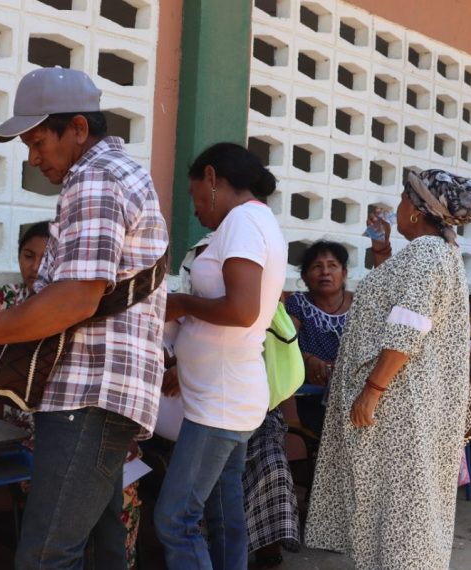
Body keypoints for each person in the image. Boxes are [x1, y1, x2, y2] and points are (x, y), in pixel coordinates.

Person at [0, 67, 168, 569]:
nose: (33, 158)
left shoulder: (95, 179)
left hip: (88, 393)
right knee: (100, 550)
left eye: (38, 142)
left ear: (77, 128)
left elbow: (74, 300)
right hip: (105, 395)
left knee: (45, 557)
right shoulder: (118, 172)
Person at [304, 169, 471, 568]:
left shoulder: (426, 256)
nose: (399, 207)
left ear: (418, 211)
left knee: (399, 506)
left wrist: (372, 391)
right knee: (398, 505)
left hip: (399, 406)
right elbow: (400, 302)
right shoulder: (436, 253)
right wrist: (382, 249)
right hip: (407, 403)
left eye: (404, 199)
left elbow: (408, 328)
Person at [0, 221, 144, 568]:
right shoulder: (5, 300)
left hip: (89, 422)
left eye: (46, 259)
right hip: (30, 432)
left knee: (119, 496)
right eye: (28, 256)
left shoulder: (81, 303)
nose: (35, 267)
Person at [156, 142, 287, 570]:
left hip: (220, 401)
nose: (195, 208)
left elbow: (241, 310)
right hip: (227, 394)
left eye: (195, 194)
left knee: (175, 519)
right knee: (222, 512)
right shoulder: (256, 220)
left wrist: (181, 304)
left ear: (212, 177)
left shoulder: (243, 221)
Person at [284, 240, 352, 435]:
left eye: (332, 265)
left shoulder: (359, 303)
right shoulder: (297, 303)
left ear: (344, 273)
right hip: (310, 394)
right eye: (317, 267)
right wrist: (307, 359)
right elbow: (286, 343)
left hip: (352, 393)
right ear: (304, 277)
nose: (325, 272)